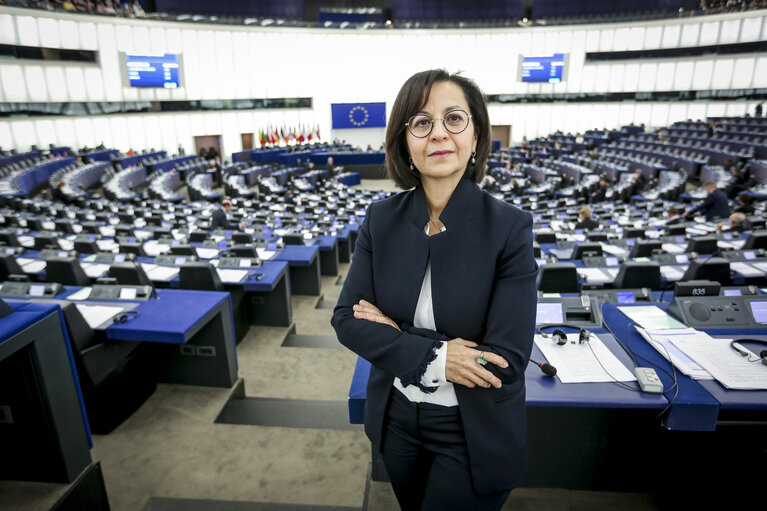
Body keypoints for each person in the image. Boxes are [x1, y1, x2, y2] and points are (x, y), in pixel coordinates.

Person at [331, 70, 538, 511]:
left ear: (476, 135)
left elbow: (505, 360)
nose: (438, 134)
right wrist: (442, 356)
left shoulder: (509, 228)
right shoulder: (380, 219)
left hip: (471, 431)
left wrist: (401, 338)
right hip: (397, 422)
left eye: (454, 119)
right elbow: (347, 320)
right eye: (421, 122)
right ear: (404, 141)